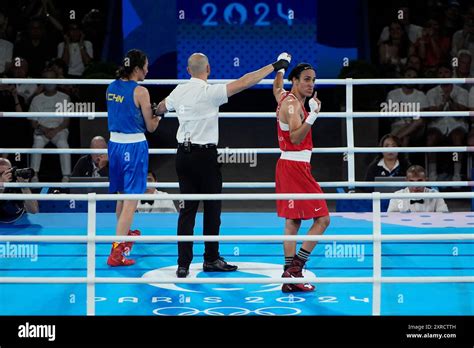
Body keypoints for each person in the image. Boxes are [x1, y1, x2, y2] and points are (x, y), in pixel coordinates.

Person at [153, 52, 290, 278]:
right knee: (212, 209)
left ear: (188, 71)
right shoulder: (211, 92)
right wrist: (275, 66)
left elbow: (159, 108)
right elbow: (246, 81)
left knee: (187, 211)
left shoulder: (179, 91)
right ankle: (211, 259)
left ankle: (183, 265)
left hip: (183, 157)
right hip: (205, 157)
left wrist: (155, 112)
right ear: (208, 69)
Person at [272, 61, 330, 292]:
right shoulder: (293, 106)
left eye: (313, 80)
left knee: (293, 221)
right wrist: (313, 115)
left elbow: (276, 88)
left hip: (290, 166)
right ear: (295, 81)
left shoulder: (284, 96)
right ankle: (295, 269)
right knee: (323, 219)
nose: (311, 84)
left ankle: (289, 276)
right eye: (306, 79)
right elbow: (296, 138)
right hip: (295, 166)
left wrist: (280, 68)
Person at [106, 49, 161, 266]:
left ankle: (124, 235)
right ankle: (117, 253)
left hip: (114, 145)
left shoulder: (110, 88)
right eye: (145, 66)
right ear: (137, 68)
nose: (147, 70)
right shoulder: (140, 91)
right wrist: (159, 115)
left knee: (122, 196)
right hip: (133, 146)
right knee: (131, 201)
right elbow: (151, 127)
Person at [28, 69, 71, 182]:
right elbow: (33, 122)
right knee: (37, 145)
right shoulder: (36, 99)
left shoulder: (64, 98)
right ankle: (34, 175)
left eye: (52, 78)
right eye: (46, 78)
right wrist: (45, 130)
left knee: (63, 144)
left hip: (59, 130)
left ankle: (66, 176)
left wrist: (55, 130)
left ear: (56, 80)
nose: (49, 81)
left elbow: (66, 121)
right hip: (42, 130)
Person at [0, 158, 38, 223]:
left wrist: (24, 187)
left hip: (17, 220)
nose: (4, 175)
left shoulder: (17, 182)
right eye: (0, 173)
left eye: (7, 172)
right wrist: (1, 186)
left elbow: (33, 210)